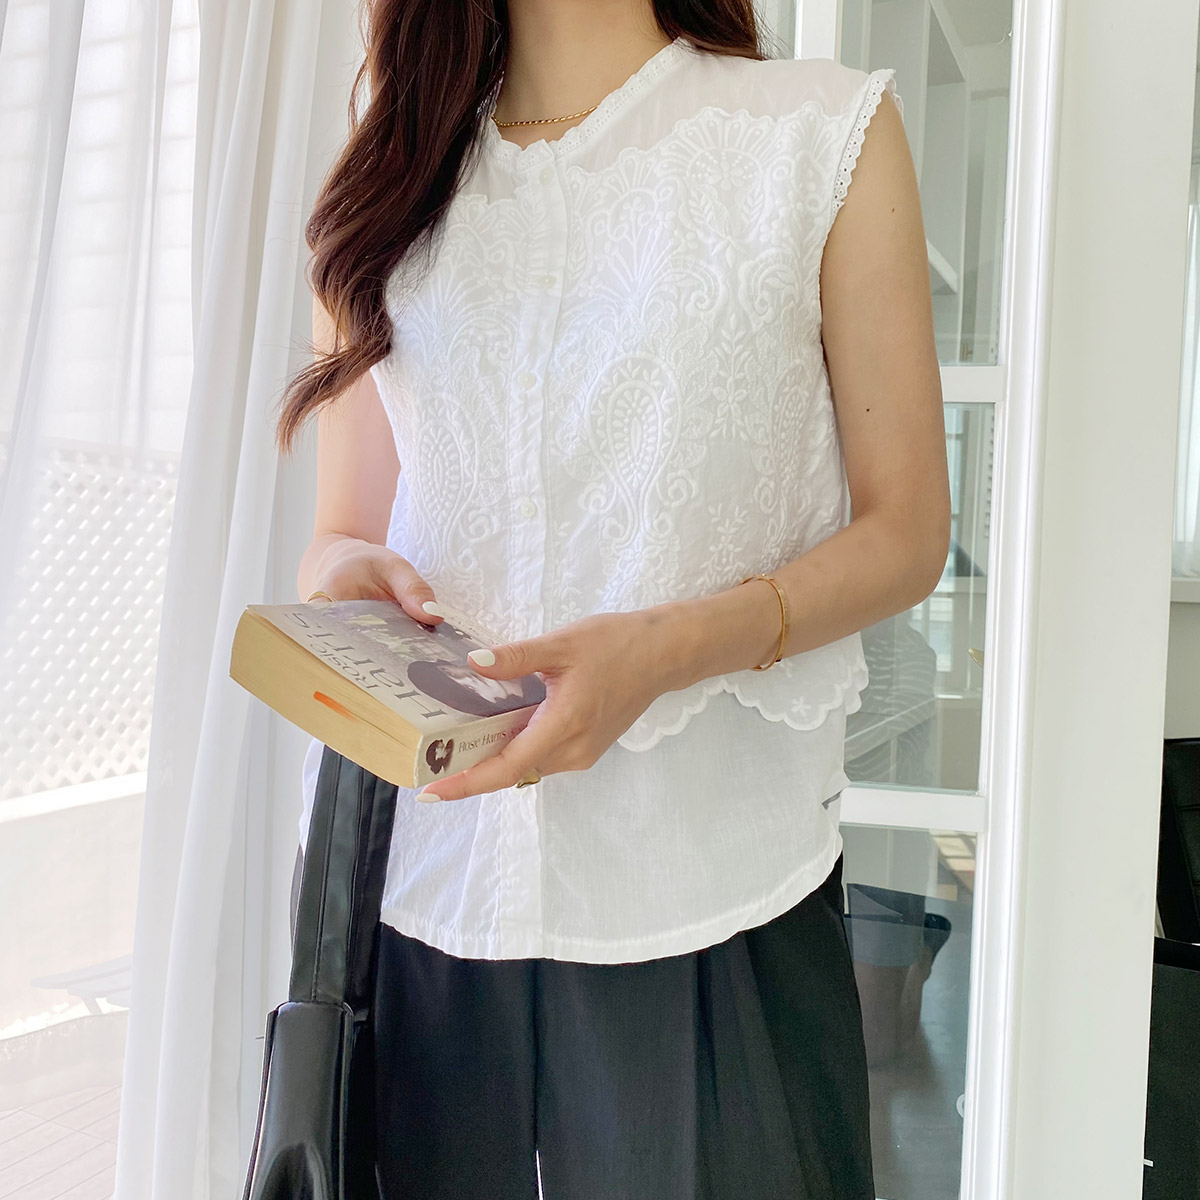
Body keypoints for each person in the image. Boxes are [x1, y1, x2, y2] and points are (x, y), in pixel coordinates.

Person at [277, 1, 949, 1197]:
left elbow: (906, 534)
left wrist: (665, 650)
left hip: (708, 897)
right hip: (423, 902)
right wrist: (344, 580)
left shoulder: (818, 133)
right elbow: (342, 534)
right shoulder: (391, 168)